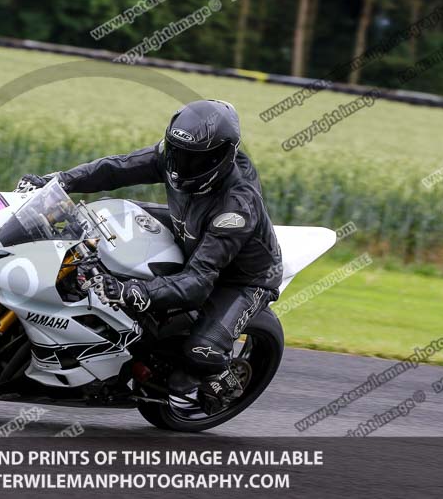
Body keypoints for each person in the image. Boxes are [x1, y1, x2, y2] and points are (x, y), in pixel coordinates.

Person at [15, 99, 282, 414]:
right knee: (102, 217)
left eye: (194, 159)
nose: (181, 166)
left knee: (200, 352)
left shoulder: (236, 208)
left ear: (223, 156)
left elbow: (198, 281)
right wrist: (60, 181)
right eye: (177, 153)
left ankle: (222, 377)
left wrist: (134, 291)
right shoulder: (174, 158)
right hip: (190, 230)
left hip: (239, 278)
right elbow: (117, 168)